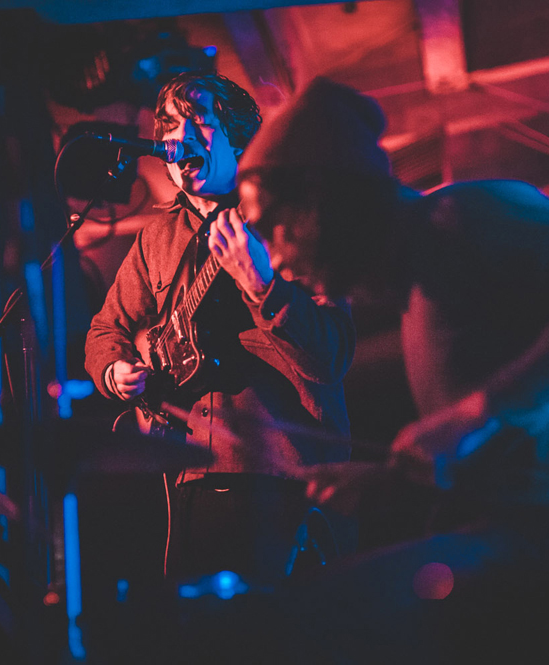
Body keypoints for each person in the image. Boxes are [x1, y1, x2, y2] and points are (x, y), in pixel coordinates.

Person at [232, 77, 549, 661]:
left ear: (320, 201)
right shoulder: (420, 283)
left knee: (302, 624)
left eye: (273, 231)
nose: (278, 262)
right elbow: (500, 448)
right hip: (516, 531)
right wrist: (389, 480)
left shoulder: (464, 217)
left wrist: (472, 415)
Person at [83, 72, 355, 592]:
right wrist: (115, 371)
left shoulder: (290, 219)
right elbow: (104, 330)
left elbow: (332, 357)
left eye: (199, 124)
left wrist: (261, 284)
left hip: (283, 476)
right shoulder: (157, 238)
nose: (179, 139)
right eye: (169, 128)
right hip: (185, 478)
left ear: (240, 138)